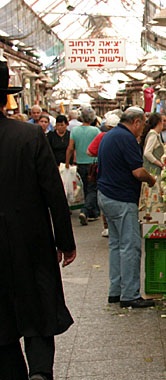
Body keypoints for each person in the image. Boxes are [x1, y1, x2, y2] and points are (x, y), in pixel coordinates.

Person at [0, 60, 76, 380]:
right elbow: (54, 193)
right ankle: (41, 373)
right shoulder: (30, 135)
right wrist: (65, 242)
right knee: (39, 307)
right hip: (32, 241)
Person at [97, 107, 157, 308]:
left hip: (105, 196)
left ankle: (115, 291)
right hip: (121, 198)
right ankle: (130, 294)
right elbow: (138, 172)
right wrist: (151, 180)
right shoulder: (127, 138)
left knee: (116, 245)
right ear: (137, 122)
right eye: (142, 125)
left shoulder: (109, 135)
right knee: (130, 246)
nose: (141, 130)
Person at [65, 107, 101, 225]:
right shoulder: (96, 131)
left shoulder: (75, 131)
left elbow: (70, 148)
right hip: (93, 163)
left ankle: (93, 212)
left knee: (86, 188)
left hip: (80, 163)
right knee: (93, 188)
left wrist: (67, 163)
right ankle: (85, 211)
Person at [139, 113, 166, 214]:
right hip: (153, 173)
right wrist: (159, 163)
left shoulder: (153, 134)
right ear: (159, 123)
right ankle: (155, 223)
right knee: (154, 201)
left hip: (151, 172)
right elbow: (147, 152)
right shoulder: (153, 135)